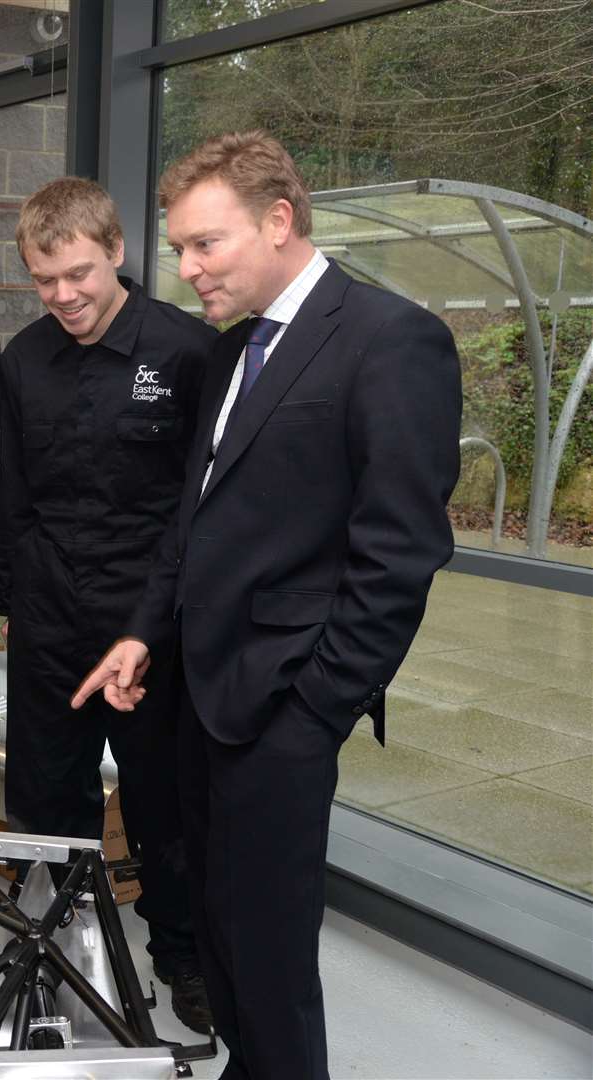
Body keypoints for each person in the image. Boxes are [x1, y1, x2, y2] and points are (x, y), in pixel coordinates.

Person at [73, 131, 461, 1079]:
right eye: (181, 247)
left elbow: (399, 555)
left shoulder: (389, 339)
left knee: (273, 959)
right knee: (222, 935)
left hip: (282, 706)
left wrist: (315, 709)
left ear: (280, 221)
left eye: (207, 244)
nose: (188, 267)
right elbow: (194, 519)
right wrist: (141, 634)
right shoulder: (235, 348)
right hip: (205, 696)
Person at [0, 177, 214, 1031]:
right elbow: (21, 498)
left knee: (165, 806)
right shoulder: (23, 358)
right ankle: (48, 946)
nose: (64, 296)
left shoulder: (190, 353)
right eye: (45, 281)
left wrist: (171, 624)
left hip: (150, 623)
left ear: (117, 251)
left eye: (79, 274)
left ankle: (182, 957)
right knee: (47, 796)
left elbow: (202, 507)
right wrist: (9, 599)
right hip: (49, 615)